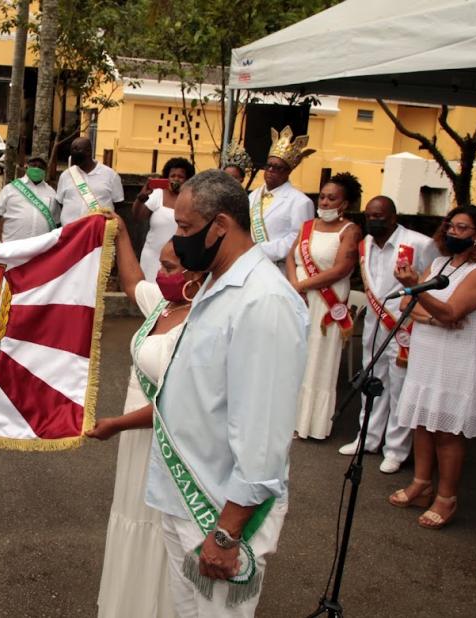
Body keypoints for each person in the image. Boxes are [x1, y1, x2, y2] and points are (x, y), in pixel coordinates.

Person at [138, 170, 307, 616]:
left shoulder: (264, 301)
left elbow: (263, 428)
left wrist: (228, 531)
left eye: (186, 227)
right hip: (184, 492)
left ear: (222, 226)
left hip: (218, 511)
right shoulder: (214, 281)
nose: (177, 239)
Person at [86, 215, 202, 617]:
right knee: (133, 513)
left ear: (196, 274)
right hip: (138, 437)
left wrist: (116, 425)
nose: (160, 273)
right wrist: (119, 233)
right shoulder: (165, 305)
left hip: (167, 438)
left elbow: (180, 402)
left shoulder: (201, 320)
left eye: (169, 268)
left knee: (162, 527)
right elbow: (134, 282)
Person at [388, 205, 476, 530]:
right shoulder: (439, 263)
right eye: (450, 225)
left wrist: (433, 309)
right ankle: (422, 484)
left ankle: (447, 497)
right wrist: (434, 314)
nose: (452, 232)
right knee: (423, 422)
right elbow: (409, 303)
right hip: (428, 355)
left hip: (459, 361)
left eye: (462, 228)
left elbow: (452, 312)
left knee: (447, 431)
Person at [338, 196, 438, 473]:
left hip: (405, 328)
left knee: (399, 388)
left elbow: (430, 284)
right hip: (374, 325)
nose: (373, 220)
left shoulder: (419, 244)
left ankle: (395, 449)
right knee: (372, 382)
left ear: (393, 216)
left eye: (379, 215)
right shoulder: (366, 244)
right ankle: (367, 438)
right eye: (369, 215)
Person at [287, 172, 363, 440]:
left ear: (345, 204)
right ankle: (287, 418)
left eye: (333, 198)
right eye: (323, 196)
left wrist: (303, 286)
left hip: (325, 303)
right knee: (294, 357)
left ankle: (311, 424)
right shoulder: (307, 226)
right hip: (299, 298)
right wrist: (295, 284)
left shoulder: (350, 231)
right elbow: (291, 257)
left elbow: (343, 268)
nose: (326, 202)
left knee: (318, 359)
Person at [247, 126, 315, 271]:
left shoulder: (301, 202)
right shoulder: (253, 196)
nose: (271, 171)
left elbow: (298, 238)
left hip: (278, 268)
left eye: (278, 168)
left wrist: (261, 250)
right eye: (269, 166)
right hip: (248, 264)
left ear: (288, 171)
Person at [132, 157, 196, 281]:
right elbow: (138, 216)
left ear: (188, 180)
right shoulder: (157, 194)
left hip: (177, 261)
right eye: (172, 176)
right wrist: (141, 198)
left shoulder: (192, 200)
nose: (176, 179)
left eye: (180, 177)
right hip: (151, 258)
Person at [0, 156, 59, 241]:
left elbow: (56, 222)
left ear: (45, 170)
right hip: (13, 245)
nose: (37, 168)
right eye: (33, 165)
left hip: (41, 247)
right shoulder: (11, 188)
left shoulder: (51, 192)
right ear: (27, 167)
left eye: (41, 167)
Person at [56, 136, 124, 226]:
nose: (74, 153)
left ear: (89, 151)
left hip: (98, 232)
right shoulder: (66, 175)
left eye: (77, 149)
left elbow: (119, 205)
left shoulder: (111, 175)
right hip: (70, 231)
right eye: (72, 150)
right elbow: (60, 203)